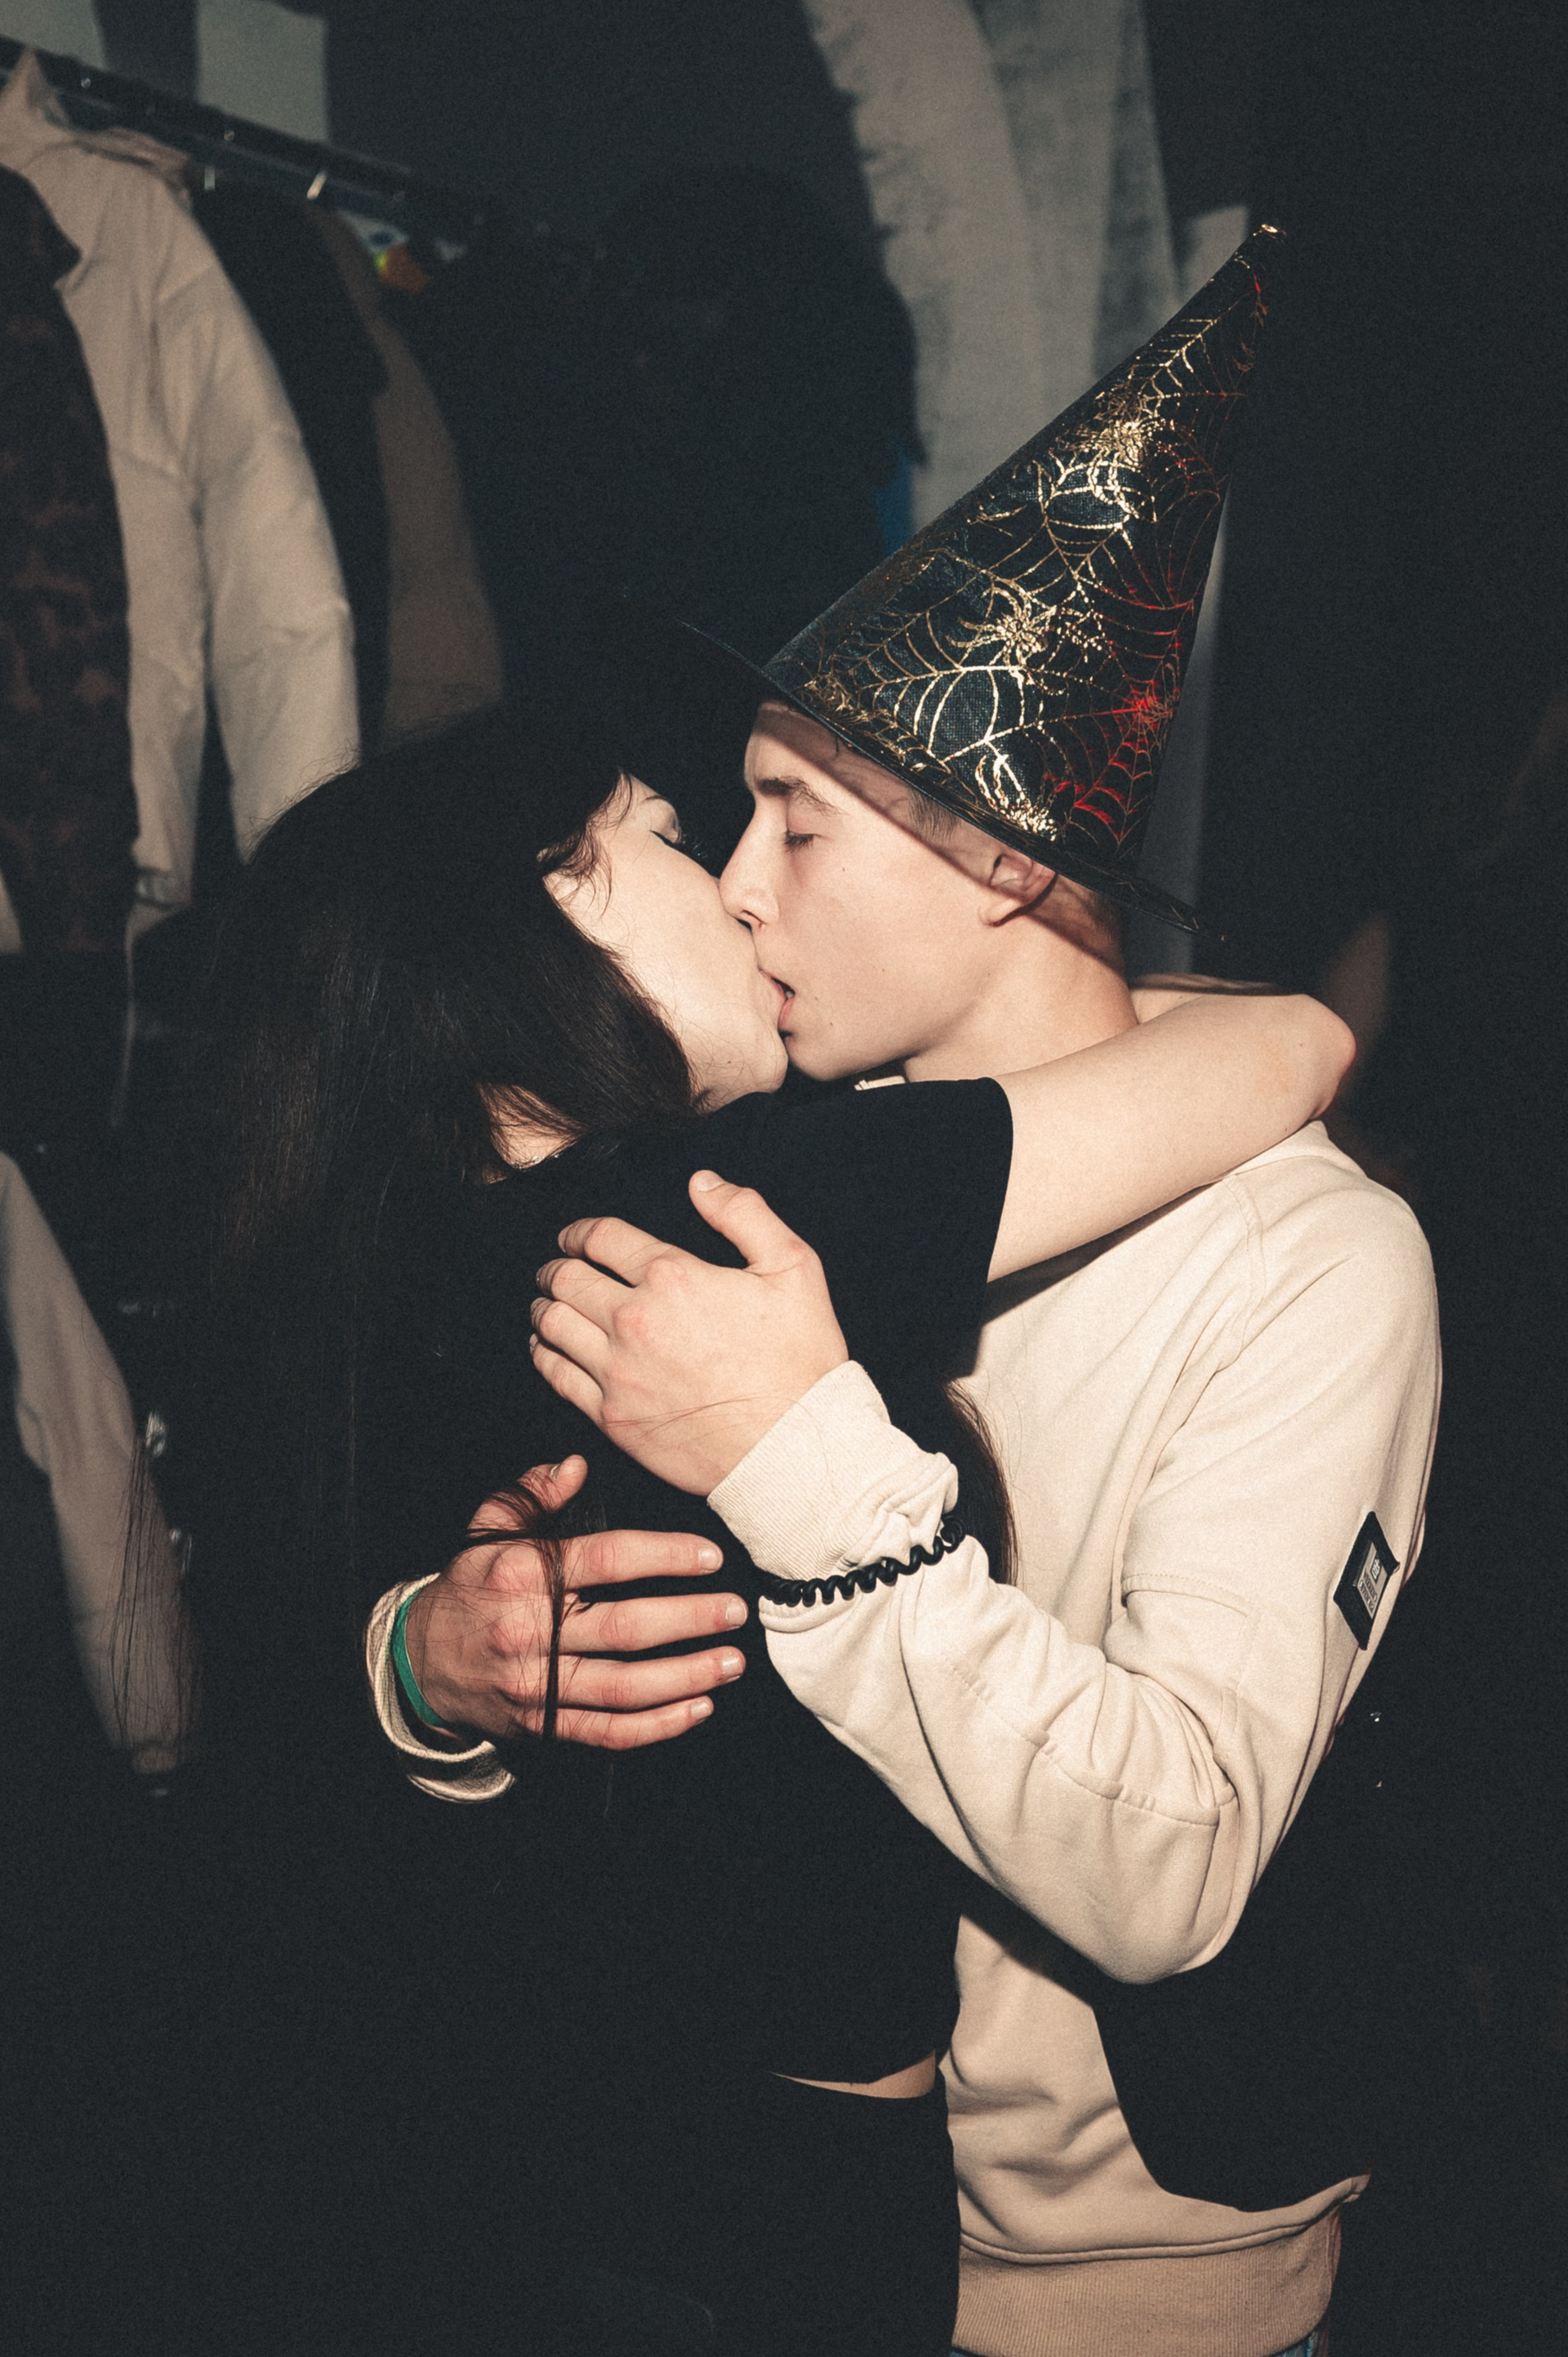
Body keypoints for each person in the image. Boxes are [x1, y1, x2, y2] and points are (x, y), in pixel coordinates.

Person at [426, 231, 1441, 2357]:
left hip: (1136, 2297)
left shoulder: (1310, 1256)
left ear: (997, 857)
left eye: (794, 825)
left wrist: (795, 1454)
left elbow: (1175, 1866)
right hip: (759, 2234)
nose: (735, 890)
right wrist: (452, 1658)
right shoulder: (783, 1172)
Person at [180, 622, 1349, 2357]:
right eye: (674, 833)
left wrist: (410, 1663)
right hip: (781, 2205)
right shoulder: (733, 1208)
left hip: (492, 2166)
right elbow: (1290, 1057)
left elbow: (233, 1708)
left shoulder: (384, 1261)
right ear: (543, 922)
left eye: (788, 829)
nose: (736, 886)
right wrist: (1290, 1006)